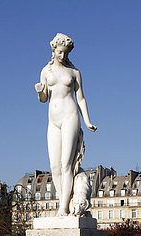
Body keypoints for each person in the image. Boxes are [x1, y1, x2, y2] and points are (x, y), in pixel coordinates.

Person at [35, 33, 97, 216]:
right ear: (54, 50)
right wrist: (39, 92)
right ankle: (66, 203)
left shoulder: (74, 72)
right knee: (54, 166)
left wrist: (87, 121)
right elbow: (44, 98)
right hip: (53, 120)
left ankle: (62, 208)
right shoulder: (46, 71)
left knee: (66, 165)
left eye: (66, 53)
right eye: (60, 52)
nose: (63, 56)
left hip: (70, 116)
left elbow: (81, 99)